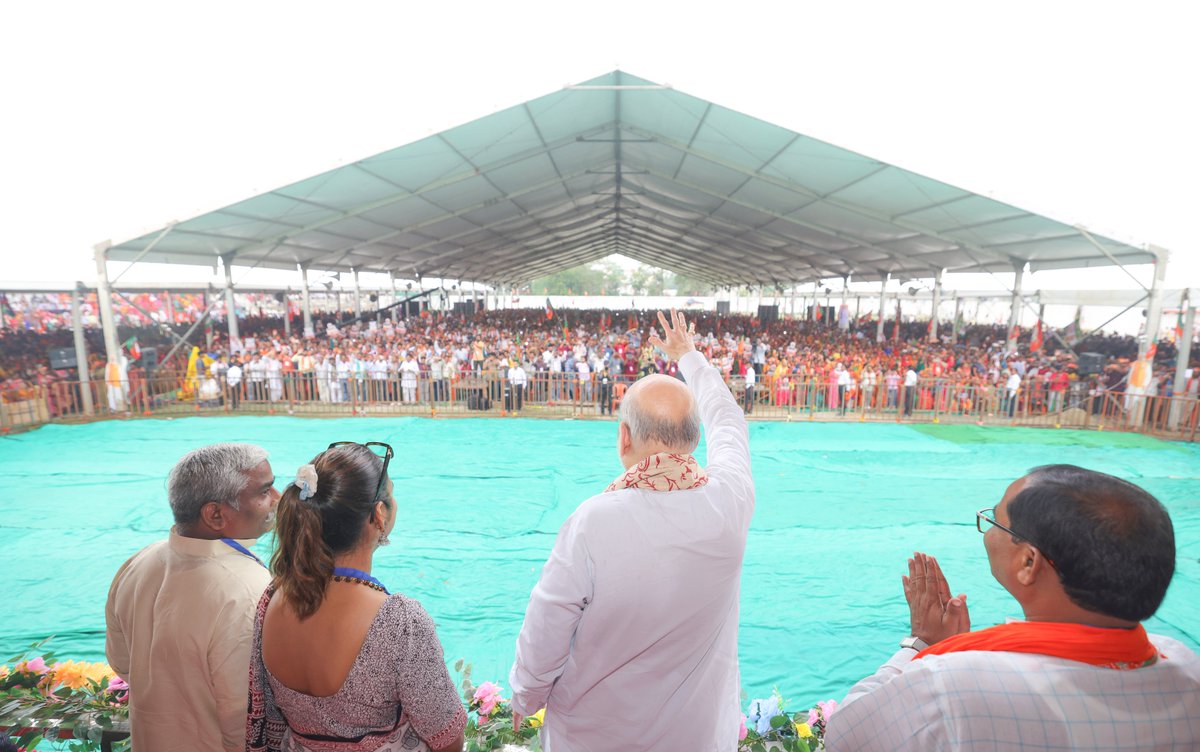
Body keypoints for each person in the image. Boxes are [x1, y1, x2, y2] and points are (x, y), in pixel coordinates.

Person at [510, 310, 754, 751]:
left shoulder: (593, 521)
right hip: (698, 738)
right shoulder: (729, 503)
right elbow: (729, 420)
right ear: (695, 439)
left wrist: (526, 696)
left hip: (595, 738)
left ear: (624, 438)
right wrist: (689, 357)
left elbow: (548, 623)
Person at [825, 465, 1200, 751]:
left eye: (994, 519)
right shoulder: (1186, 666)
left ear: (1028, 563)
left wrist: (921, 645)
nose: (987, 528)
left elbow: (844, 736)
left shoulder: (951, 684)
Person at [247, 441, 466, 752]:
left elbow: (270, 717)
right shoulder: (399, 622)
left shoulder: (273, 598)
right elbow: (447, 737)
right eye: (391, 494)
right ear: (380, 514)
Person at [105, 443, 280, 752]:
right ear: (215, 514)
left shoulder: (141, 560)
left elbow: (121, 663)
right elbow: (245, 718)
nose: (278, 498)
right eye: (265, 491)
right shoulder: (247, 588)